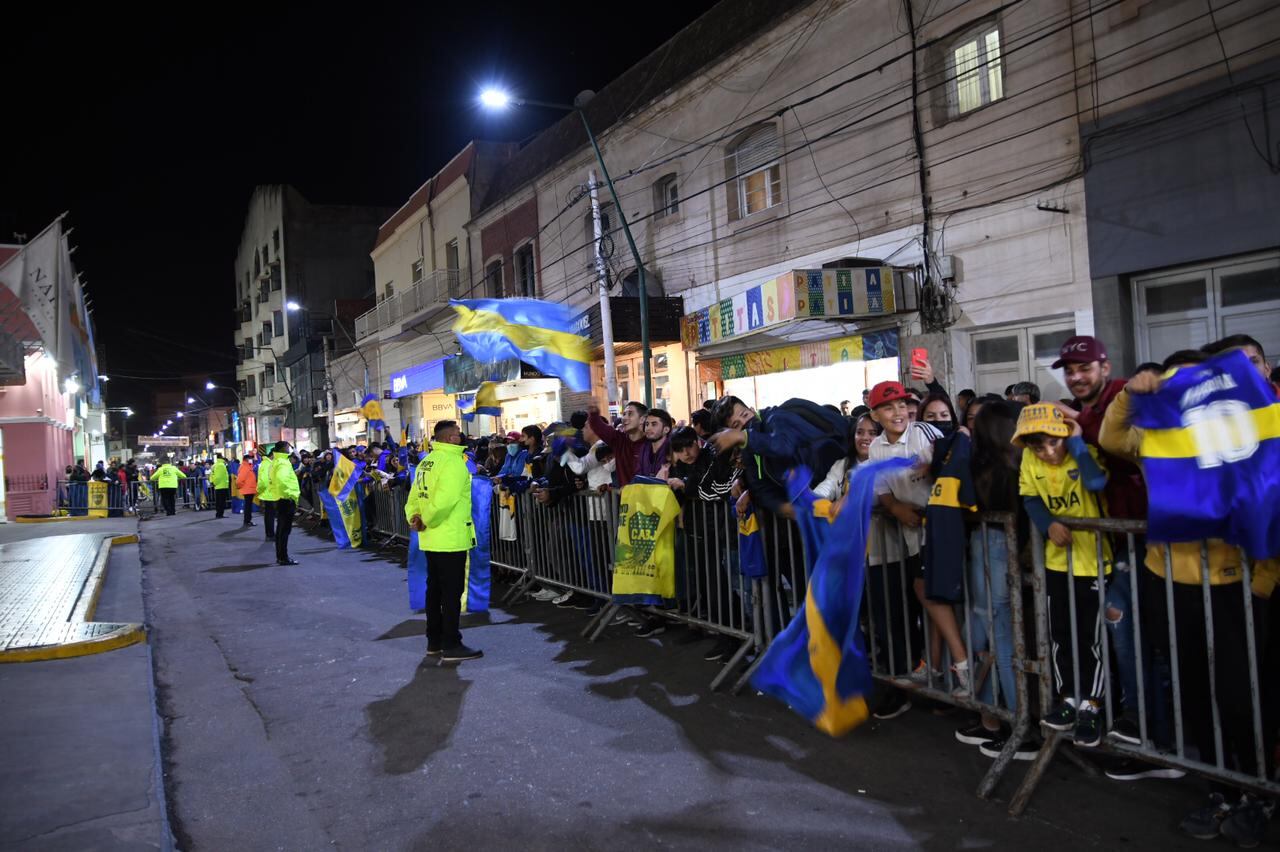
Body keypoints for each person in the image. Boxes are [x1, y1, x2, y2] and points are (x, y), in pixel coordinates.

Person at [1014, 402, 1111, 748]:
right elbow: (1029, 499)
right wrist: (1048, 524)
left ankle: (1093, 704)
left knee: (1090, 637)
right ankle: (1069, 699)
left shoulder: (1081, 451)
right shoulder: (1029, 460)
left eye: (1054, 442)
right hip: (1055, 564)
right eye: (1038, 445)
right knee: (1059, 634)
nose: (1047, 451)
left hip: (1093, 563)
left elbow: (1097, 482)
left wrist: (1078, 443)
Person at [864, 381, 943, 720]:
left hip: (940, 528)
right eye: (888, 407)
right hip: (911, 535)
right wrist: (895, 509)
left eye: (901, 405)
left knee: (938, 601)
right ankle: (930, 676)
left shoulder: (925, 434)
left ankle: (943, 676)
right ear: (875, 414)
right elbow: (883, 491)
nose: (897, 413)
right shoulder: (876, 448)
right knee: (926, 601)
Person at [406, 420, 481, 662]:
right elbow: (445, 501)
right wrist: (425, 519)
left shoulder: (427, 461)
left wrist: (415, 518)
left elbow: (415, 495)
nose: (461, 437)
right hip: (449, 537)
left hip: (430, 537)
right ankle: (451, 643)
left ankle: (434, 641)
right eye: (458, 434)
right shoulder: (453, 463)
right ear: (450, 438)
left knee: (434, 591)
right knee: (451, 593)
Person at [588, 400, 647, 487]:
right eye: (624, 414)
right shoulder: (619, 440)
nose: (624, 418)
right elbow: (599, 426)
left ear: (642, 419)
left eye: (630, 414)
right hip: (626, 498)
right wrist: (593, 414)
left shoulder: (652, 443)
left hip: (648, 497)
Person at [266, 441, 300, 566]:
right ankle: (283, 557)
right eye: (288, 447)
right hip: (286, 499)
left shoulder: (276, 461)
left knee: (281, 529)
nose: (289, 449)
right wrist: (289, 495)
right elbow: (281, 480)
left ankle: (281, 556)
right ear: (284, 448)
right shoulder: (283, 462)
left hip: (280, 498)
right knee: (284, 530)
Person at [637, 408, 673, 479]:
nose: (648, 428)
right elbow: (639, 475)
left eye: (654, 424)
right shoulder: (643, 448)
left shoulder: (674, 449)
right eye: (647, 424)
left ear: (666, 429)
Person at [258, 449, 276, 541]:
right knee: (270, 515)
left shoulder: (266, 463)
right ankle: (270, 534)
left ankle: (270, 533)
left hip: (268, 493)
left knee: (269, 515)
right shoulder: (267, 464)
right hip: (269, 493)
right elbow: (264, 481)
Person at [236, 454, 258, 527]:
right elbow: (239, 480)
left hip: (249, 489)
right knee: (248, 506)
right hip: (248, 490)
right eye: (250, 458)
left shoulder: (248, 466)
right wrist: (241, 487)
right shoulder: (245, 467)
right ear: (246, 459)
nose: (251, 460)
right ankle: (247, 521)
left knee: (248, 506)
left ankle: (248, 521)